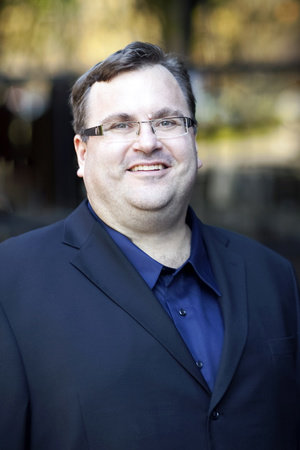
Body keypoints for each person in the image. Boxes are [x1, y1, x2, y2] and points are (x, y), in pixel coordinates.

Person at [0, 41, 299, 450]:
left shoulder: (273, 275)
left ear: (194, 140)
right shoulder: (11, 283)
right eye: (121, 125)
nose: (147, 142)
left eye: (168, 121)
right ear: (82, 153)